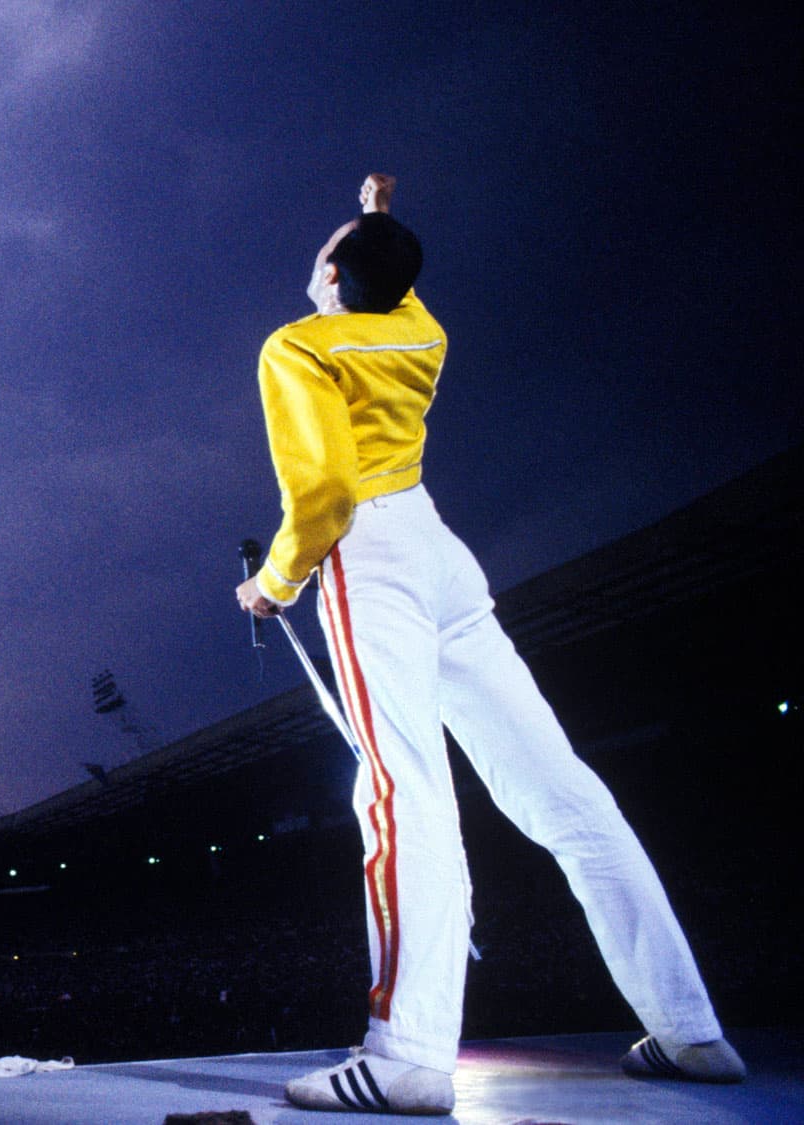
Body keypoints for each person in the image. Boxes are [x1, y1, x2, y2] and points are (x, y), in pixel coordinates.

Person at [235, 175, 745, 1114]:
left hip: (370, 559)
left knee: (402, 791)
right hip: (442, 556)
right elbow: (393, 278)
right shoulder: (421, 329)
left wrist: (274, 583)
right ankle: (690, 1030)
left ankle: (407, 1054)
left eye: (330, 249)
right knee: (564, 791)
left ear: (333, 274)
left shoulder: (297, 346)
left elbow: (326, 494)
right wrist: (378, 220)